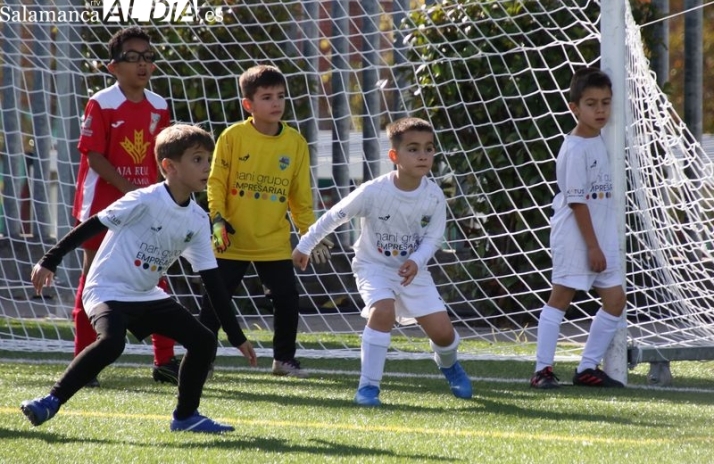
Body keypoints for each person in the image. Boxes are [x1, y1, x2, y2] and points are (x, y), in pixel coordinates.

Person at [20, 124, 258, 433]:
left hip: (146, 294)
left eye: (208, 159)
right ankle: (50, 401)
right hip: (107, 289)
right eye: (197, 159)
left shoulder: (199, 220)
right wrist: (50, 259)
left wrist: (237, 336)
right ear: (169, 167)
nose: (206, 167)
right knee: (112, 342)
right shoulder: (144, 200)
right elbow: (94, 224)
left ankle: (186, 417)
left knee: (203, 341)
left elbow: (213, 282)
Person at [292, 117, 472, 406]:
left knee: (443, 333)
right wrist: (305, 244)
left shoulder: (434, 196)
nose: (423, 155)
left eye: (429, 148)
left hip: (414, 272)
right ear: (394, 156)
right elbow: (335, 215)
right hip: (373, 267)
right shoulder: (373, 192)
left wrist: (416, 260)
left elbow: (433, 238)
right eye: (413, 149)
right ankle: (368, 388)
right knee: (382, 312)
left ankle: (450, 365)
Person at [199, 64, 333, 378]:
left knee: (287, 300)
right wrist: (217, 219)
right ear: (249, 104)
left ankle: (283, 360)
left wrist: (309, 235)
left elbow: (299, 197)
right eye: (267, 97)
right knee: (214, 303)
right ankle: (202, 359)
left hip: (273, 240)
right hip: (229, 238)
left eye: (281, 97)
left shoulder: (295, 143)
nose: (276, 103)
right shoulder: (233, 137)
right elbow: (215, 181)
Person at [72, 26, 178, 386]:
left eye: (148, 57)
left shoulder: (160, 106)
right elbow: (95, 156)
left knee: (154, 274)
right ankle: (84, 364)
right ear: (113, 66)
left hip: (144, 207)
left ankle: (164, 361)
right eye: (132, 57)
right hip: (102, 205)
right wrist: (128, 190)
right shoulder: (101, 103)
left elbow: (163, 157)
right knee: (92, 281)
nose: (142, 64)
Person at [530, 67, 626, 389]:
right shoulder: (574, 148)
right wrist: (593, 246)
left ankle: (586, 368)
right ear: (575, 108)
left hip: (601, 236)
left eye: (605, 102)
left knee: (615, 300)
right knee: (560, 298)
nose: (600, 110)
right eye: (591, 103)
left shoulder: (602, 139)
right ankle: (542, 370)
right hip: (578, 236)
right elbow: (577, 202)